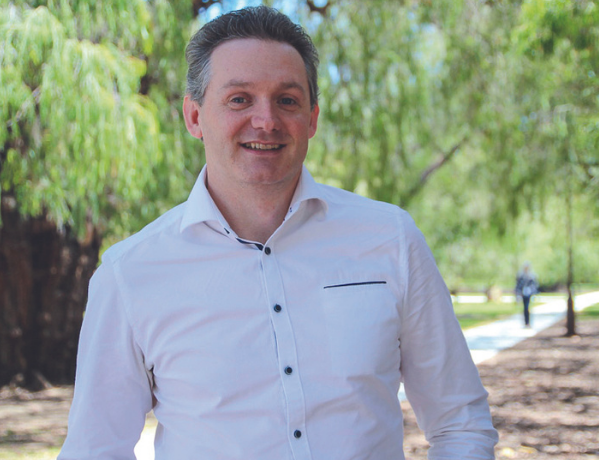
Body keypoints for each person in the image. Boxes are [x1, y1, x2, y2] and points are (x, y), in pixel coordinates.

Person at [58, 6, 497, 460]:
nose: (266, 120)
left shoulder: (390, 240)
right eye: (239, 99)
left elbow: (460, 424)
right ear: (193, 117)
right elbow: (95, 449)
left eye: (286, 99)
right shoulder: (132, 274)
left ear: (311, 118)